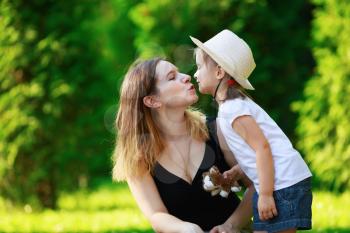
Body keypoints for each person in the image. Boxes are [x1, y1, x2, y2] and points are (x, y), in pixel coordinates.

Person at [190, 29, 313, 233]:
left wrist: (264, 195)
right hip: (280, 181)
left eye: (199, 67)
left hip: (281, 184)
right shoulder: (232, 106)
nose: (195, 73)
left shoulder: (233, 108)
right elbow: (255, 151)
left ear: (219, 72)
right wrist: (237, 171)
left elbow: (262, 148)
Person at [112, 57, 254, 233]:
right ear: (152, 101)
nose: (186, 76)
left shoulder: (217, 130)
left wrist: (231, 225)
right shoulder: (137, 155)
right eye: (172, 77)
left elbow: (256, 184)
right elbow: (156, 214)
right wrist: (187, 229)